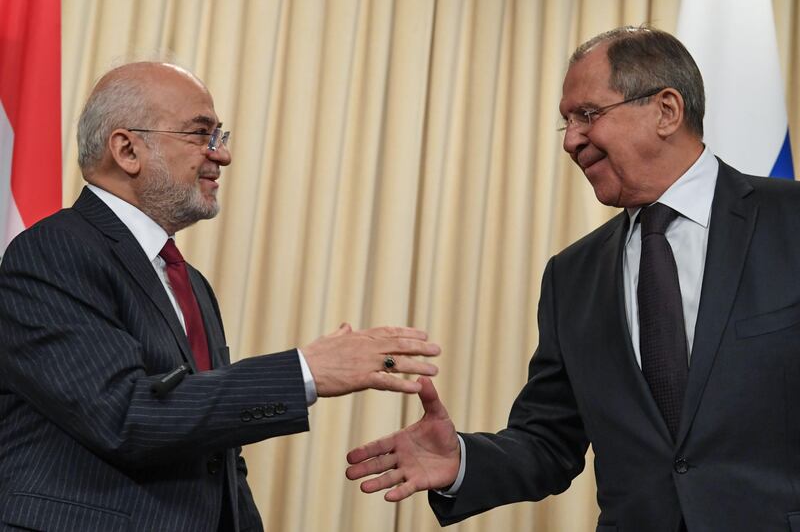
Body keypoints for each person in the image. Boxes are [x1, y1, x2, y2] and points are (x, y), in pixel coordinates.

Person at [345, 26, 800, 532]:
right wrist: (461, 461)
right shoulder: (572, 276)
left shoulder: (790, 223)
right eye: (566, 122)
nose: (571, 140)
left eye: (587, 114)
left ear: (666, 111)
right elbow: (548, 441)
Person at [0, 62, 441, 532]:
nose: (223, 155)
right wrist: (305, 371)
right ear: (127, 149)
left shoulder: (188, 280)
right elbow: (122, 414)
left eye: (220, 135)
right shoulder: (52, 251)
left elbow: (218, 454)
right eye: (201, 134)